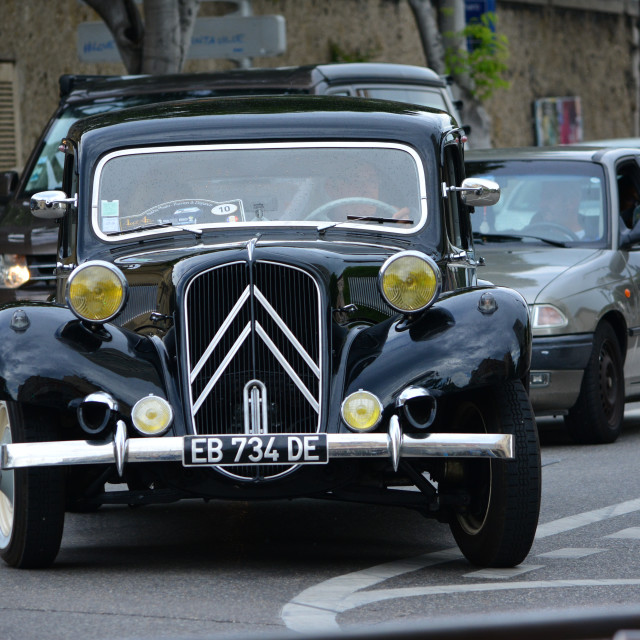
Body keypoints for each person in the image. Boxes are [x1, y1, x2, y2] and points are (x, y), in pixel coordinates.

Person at [322, 162, 410, 222]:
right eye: (357, 181)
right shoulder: (315, 224)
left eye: (372, 181)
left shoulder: (391, 223)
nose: (368, 189)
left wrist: (404, 228)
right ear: (333, 189)